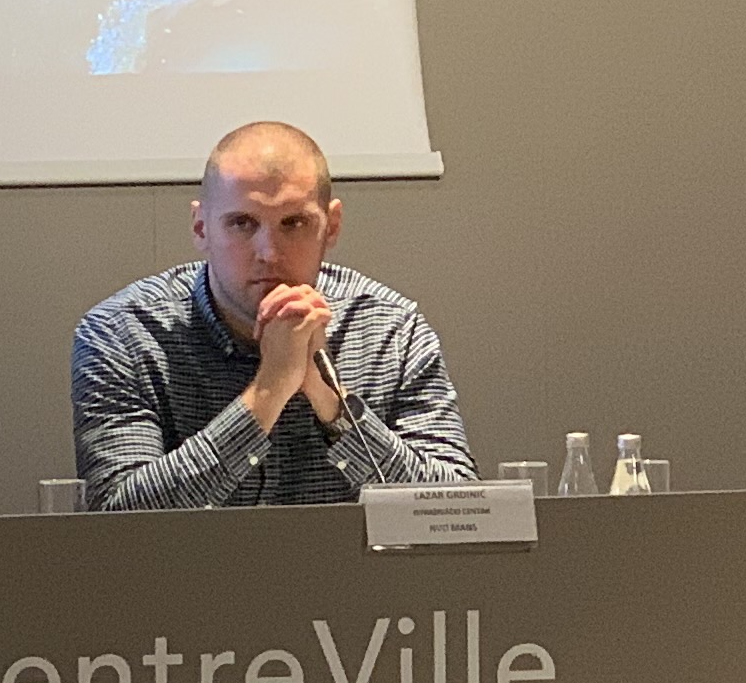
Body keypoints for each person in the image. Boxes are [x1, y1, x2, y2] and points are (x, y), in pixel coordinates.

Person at [71, 119, 471, 509]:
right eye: (242, 223)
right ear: (201, 228)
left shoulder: (391, 329)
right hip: (192, 560)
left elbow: (456, 508)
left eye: (294, 223)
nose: (269, 252)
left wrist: (331, 401)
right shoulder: (122, 334)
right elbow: (118, 520)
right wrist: (269, 390)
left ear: (331, 227)